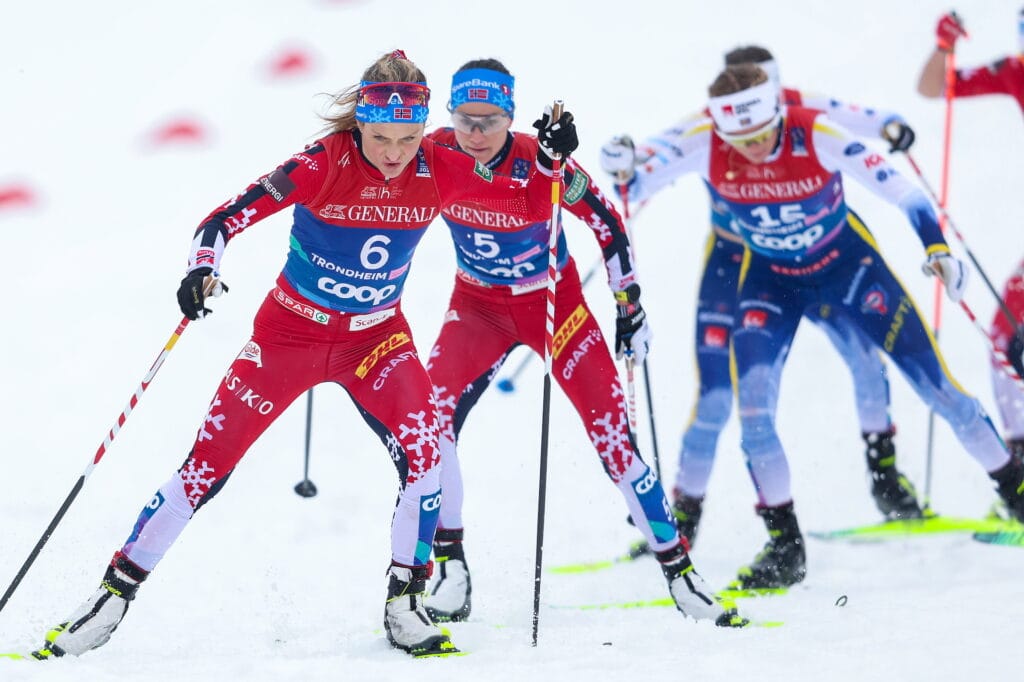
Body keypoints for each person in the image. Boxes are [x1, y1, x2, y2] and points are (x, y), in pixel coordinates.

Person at [26, 49, 578, 660]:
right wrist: (201, 272)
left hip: (376, 341)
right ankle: (111, 597)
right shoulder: (321, 164)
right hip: (289, 337)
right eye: (380, 137)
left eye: (409, 137)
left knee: (427, 454)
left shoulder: (439, 166)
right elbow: (221, 221)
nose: (395, 152)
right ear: (358, 125)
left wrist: (552, 160)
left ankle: (405, 600)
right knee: (206, 466)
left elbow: (529, 203)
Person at [600, 63, 1024, 590]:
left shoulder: (812, 130)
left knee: (940, 391)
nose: (752, 149)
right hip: (770, 280)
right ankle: (786, 546)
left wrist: (937, 250)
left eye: (761, 136)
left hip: (848, 268)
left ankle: (1016, 494)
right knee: (753, 412)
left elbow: (905, 193)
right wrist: (620, 163)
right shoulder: (708, 140)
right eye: (740, 140)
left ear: (777, 114)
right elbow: (636, 181)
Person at [418, 58, 735, 627]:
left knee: (615, 440)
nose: (476, 133)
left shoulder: (544, 161)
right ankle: (450, 567)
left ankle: (681, 573)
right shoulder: (436, 153)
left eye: (489, 120)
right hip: (477, 308)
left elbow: (608, 223)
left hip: (553, 307)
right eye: (464, 119)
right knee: (427, 419)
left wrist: (629, 304)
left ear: (510, 117)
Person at [622, 46, 923, 553]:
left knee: (866, 361)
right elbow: (657, 149)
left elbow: (857, 119)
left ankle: (887, 480)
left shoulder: (796, 108)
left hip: (813, 255)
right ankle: (683, 520)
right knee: (716, 396)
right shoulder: (716, 122)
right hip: (735, 263)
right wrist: (629, 162)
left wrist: (893, 125)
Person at [917, 10, 1024, 461]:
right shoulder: (1016, 71)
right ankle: (1019, 461)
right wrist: (943, 49)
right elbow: (934, 87)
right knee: (1006, 339)